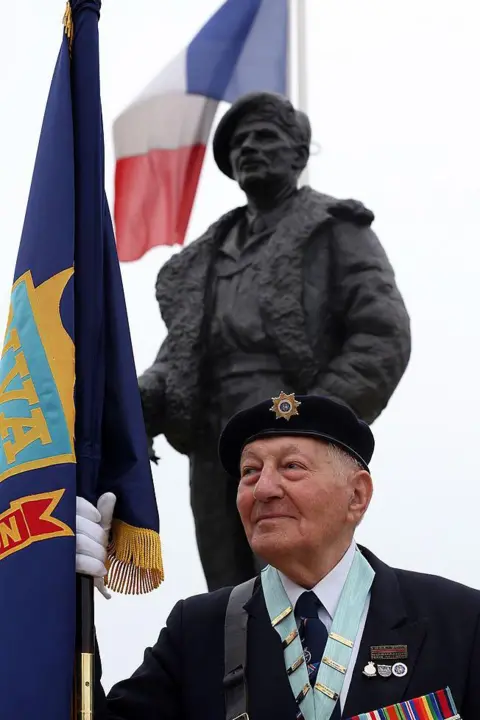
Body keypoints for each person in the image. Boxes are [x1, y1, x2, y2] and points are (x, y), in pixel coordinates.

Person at [138, 90, 412, 591]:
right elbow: (179, 358)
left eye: (265, 137)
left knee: (297, 584)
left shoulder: (335, 230)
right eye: (239, 144)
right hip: (217, 446)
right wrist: (139, 398)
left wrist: (313, 418)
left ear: (299, 155)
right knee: (228, 593)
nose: (249, 149)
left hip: (292, 425)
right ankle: (240, 672)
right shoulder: (204, 258)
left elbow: (382, 334)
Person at [78, 392, 480, 719]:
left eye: (291, 467)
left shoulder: (459, 622)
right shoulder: (200, 630)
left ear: (357, 496)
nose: (263, 488)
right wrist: (65, 595)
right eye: (249, 471)